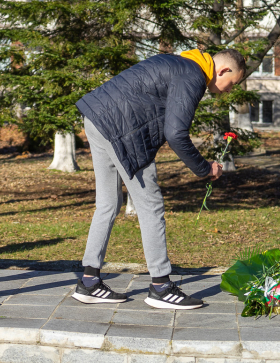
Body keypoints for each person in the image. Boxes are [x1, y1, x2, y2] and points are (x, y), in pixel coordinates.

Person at [72, 48, 246, 309]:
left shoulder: (178, 62)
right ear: (222, 71)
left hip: (97, 117)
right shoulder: (193, 74)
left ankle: (89, 282)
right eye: (231, 84)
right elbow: (176, 133)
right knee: (151, 206)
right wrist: (205, 169)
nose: (228, 91)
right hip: (124, 132)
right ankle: (161, 287)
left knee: (108, 204)